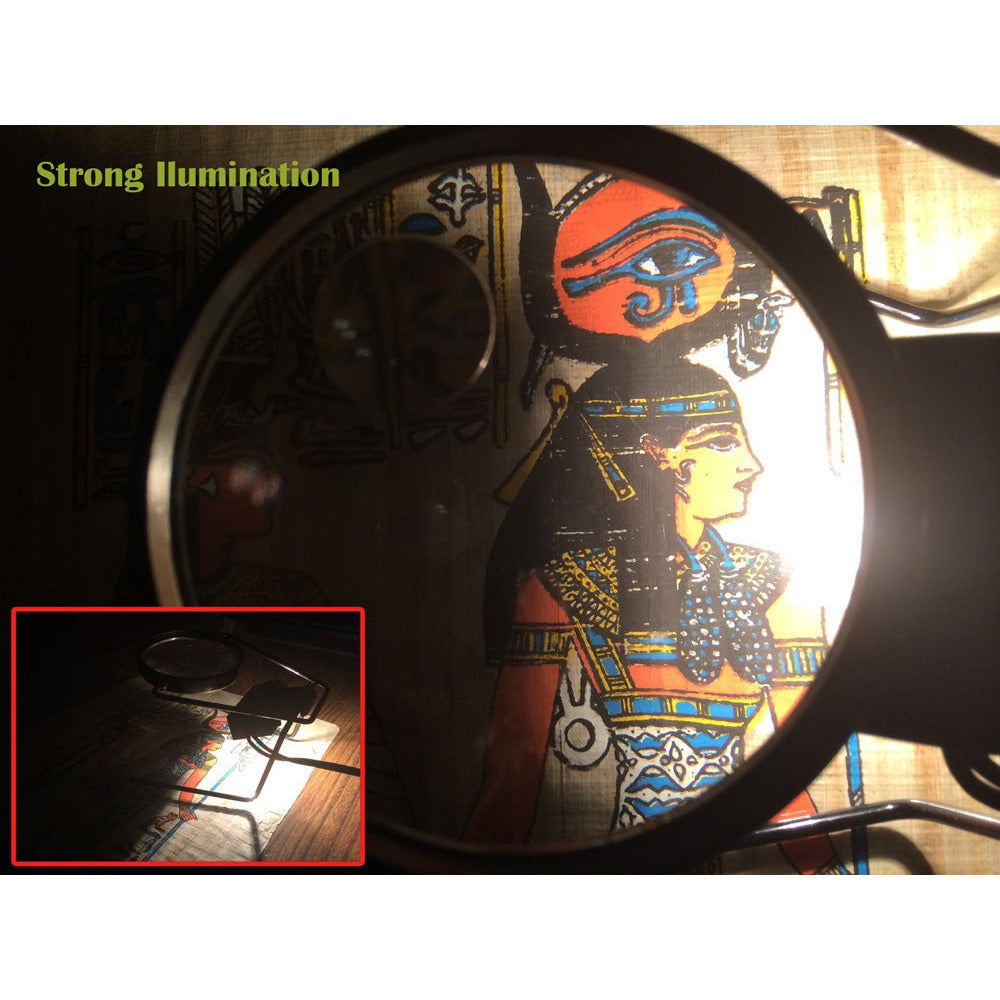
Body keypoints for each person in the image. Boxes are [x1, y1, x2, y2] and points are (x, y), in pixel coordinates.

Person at [467, 360, 837, 872]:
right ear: (657, 454)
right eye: (723, 443)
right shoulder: (562, 584)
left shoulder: (776, 584)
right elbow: (511, 788)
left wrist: (826, 874)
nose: (752, 465)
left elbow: (788, 774)